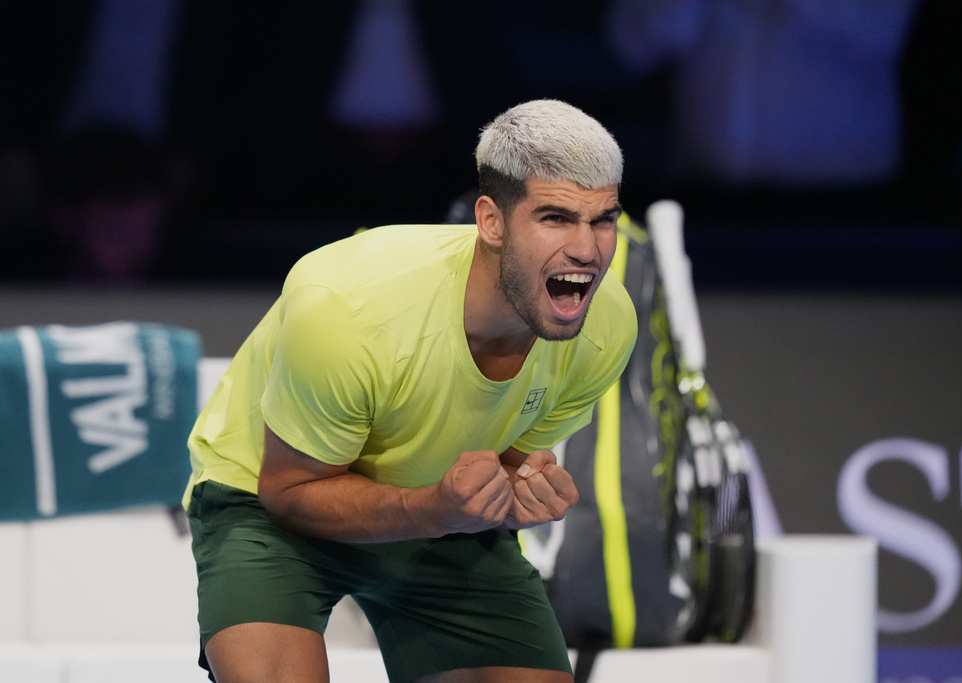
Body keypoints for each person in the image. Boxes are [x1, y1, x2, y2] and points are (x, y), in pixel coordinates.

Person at [184, 99, 638, 683]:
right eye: (556, 218)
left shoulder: (605, 326)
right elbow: (290, 492)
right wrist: (435, 509)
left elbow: (504, 466)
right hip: (272, 502)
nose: (587, 249)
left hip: (440, 515)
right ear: (491, 221)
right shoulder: (346, 308)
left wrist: (513, 493)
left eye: (603, 220)